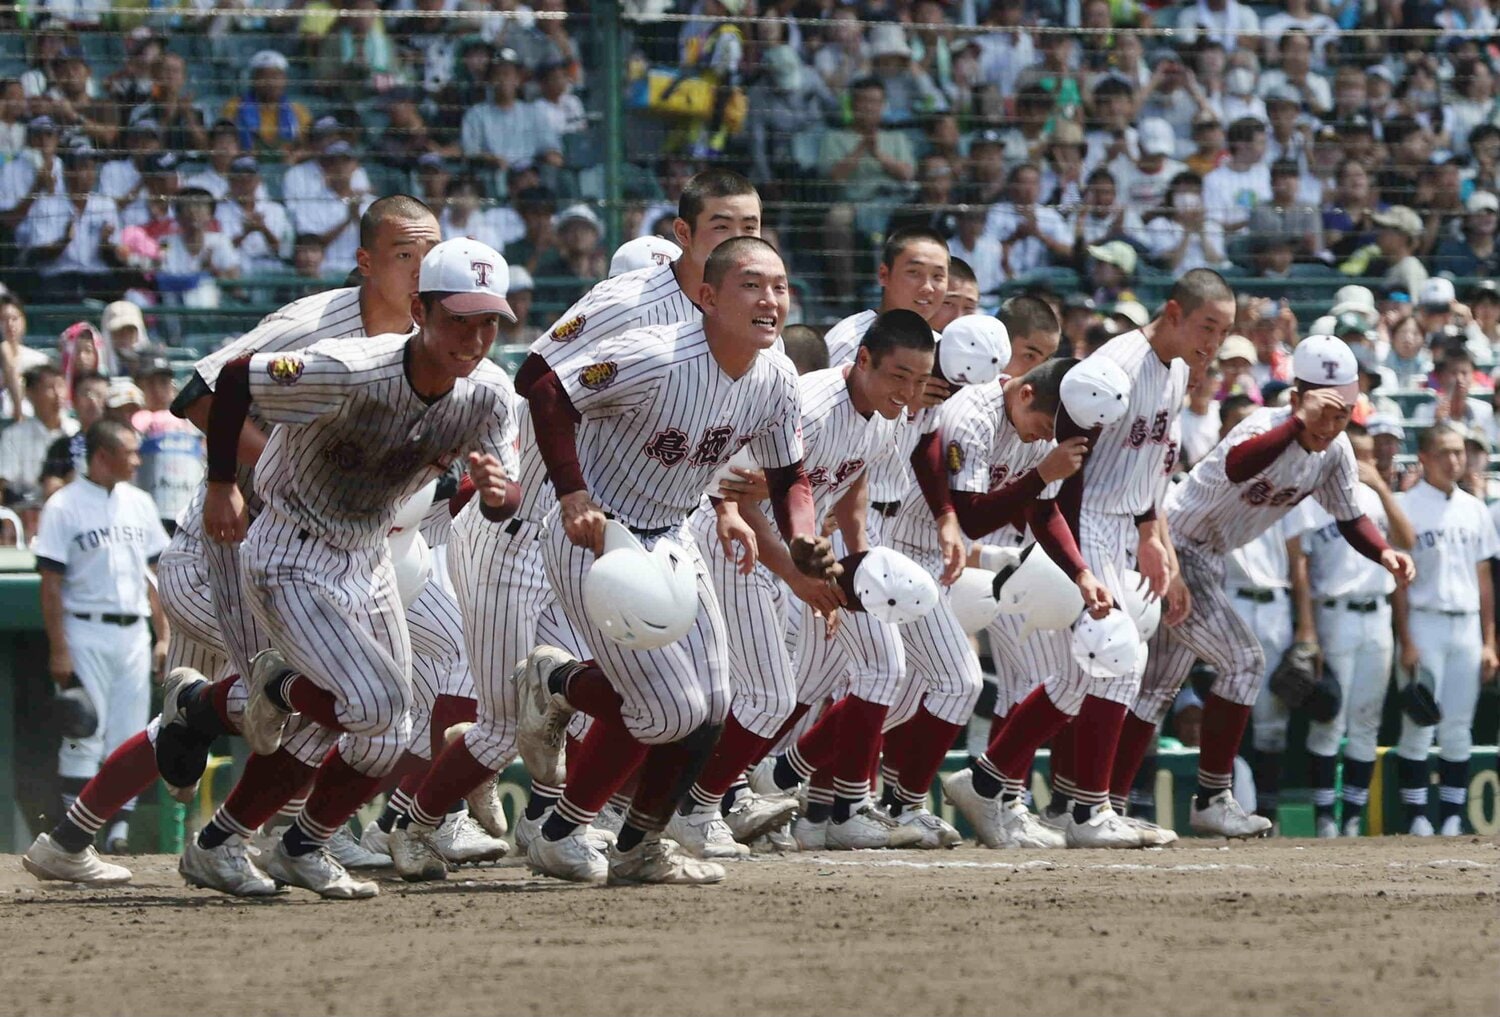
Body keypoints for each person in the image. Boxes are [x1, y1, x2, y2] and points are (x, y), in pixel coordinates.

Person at [382, 170, 763, 880]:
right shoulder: (632, 301)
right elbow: (539, 375)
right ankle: (415, 822)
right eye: (723, 228)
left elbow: (686, 433)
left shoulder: (729, 317)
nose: (740, 242)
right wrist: (570, 486)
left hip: (613, 537)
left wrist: (722, 503)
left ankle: (566, 799)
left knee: (663, 696)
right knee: (501, 723)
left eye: (750, 229)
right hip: (528, 524)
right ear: (684, 234)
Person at [196, 236, 521, 900]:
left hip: (368, 554)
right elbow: (232, 380)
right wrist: (222, 482)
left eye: (489, 320)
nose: (475, 335)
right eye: (459, 317)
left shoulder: (488, 394)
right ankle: (276, 686)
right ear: (420, 308)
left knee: (384, 731)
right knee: (374, 705)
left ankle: (258, 844)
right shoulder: (349, 367)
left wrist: (496, 492)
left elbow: (506, 500)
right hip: (290, 546)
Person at [518, 236, 835, 885]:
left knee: (716, 704)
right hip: (599, 535)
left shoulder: (775, 377)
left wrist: (803, 534)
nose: (770, 298)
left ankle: (634, 841)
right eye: (752, 284)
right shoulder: (655, 353)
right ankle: (562, 813)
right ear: (708, 296)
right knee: (668, 709)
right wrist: (571, 490)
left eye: (778, 285)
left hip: (672, 534)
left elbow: (791, 474)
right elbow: (548, 390)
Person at [1114, 336, 1415, 839]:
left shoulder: (1335, 449)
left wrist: (1382, 551)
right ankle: (1211, 799)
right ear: (1298, 398)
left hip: (1206, 558)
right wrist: (1299, 422)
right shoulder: (1264, 425)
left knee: (1156, 690)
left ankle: (1104, 802)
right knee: (1244, 662)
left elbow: (1350, 516)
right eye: (1326, 412)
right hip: (1170, 545)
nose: (1333, 425)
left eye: (1342, 415)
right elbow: (1239, 466)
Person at [669, 309, 934, 858]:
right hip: (731, 542)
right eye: (897, 376)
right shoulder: (808, 407)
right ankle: (699, 808)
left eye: (917, 380)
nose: (907, 392)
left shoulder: (888, 415)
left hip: (795, 550)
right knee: (762, 693)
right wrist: (798, 577)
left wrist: (854, 566)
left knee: (873, 670)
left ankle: (800, 803)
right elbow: (736, 496)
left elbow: (855, 480)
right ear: (863, 359)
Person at [32, 420, 169, 857]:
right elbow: (50, 581)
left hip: (133, 632)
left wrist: (162, 636)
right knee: (80, 733)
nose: (136, 459)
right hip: (83, 628)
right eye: (129, 452)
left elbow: (155, 576)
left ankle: (118, 832)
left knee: (130, 736)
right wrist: (59, 648)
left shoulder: (141, 503)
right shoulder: (64, 505)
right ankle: (74, 835)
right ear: (103, 456)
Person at [1286, 423, 1413, 837]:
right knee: (1329, 717)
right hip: (1334, 612)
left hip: (1376, 612)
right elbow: (1300, 567)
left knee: (1366, 719)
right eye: (1354, 454)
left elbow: (1407, 541)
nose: (1362, 462)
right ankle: (1325, 817)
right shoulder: (1313, 499)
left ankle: (1353, 818)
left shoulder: (1376, 498)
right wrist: (1308, 628)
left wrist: (1382, 486)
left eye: (1367, 455)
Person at [1392, 424, 1499, 836]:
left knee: (1458, 727)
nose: (1454, 460)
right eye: (1444, 453)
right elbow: (1398, 582)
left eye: (1459, 453)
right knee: (1418, 724)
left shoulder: (1474, 508)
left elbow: (1484, 578)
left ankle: (1453, 816)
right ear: (1424, 457)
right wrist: (1406, 638)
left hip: (1466, 624)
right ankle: (1416, 816)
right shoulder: (1407, 505)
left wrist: (1489, 641)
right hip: (1425, 619)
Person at [130, 352, 203, 535]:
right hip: (148, 508)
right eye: (150, 383)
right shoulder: (135, 421)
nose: (157, 389)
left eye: (163, 382)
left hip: (187, 506)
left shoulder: (192, 421)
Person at [0, 365, 76, 508]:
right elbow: (3, 483)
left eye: (60, 386)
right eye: (49, 388)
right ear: (30, 393)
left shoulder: (75, 431)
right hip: (29, 511)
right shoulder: (14, 435)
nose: (58, 394)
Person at [40, 371, 106, 498]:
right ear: (74, 401)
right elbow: (50, 492)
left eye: (100, 395)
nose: (93, 402)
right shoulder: (61, 446)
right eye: (87, 394)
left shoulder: (119, 443)